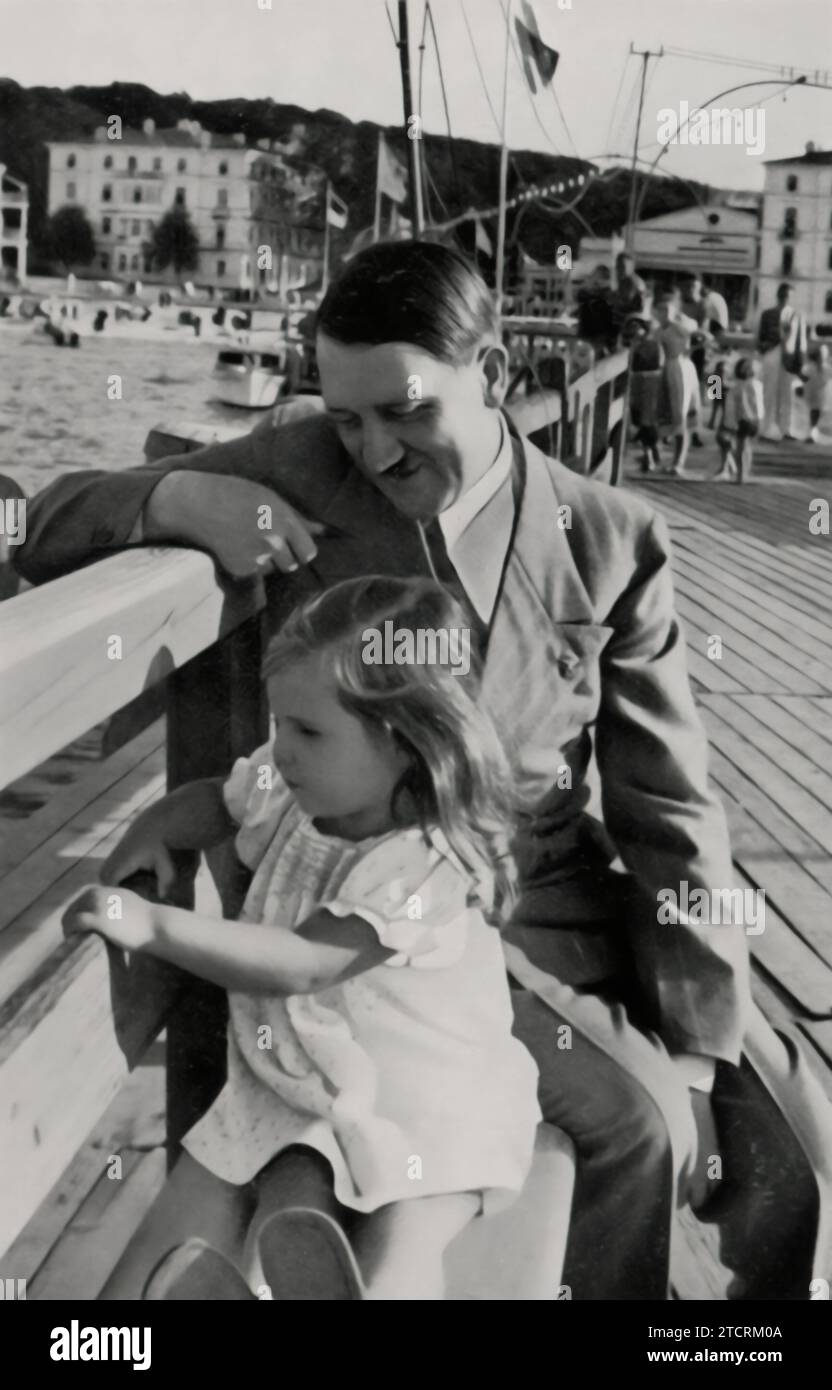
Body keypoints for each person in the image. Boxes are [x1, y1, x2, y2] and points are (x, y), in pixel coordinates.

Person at [18, 240, 832, 1301]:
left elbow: (667, 804)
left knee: (761, 1123)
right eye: (346, 414)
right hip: (376, 922)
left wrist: (700, 1034)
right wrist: (179, 500)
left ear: (492, 373)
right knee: (629, 1129)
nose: (375, 449)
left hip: (552, 899)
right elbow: (42, 521)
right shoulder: (308, 464)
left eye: (403, 409)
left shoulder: (608, 537)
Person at [63, 576, 542, 1301]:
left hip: (436, 1105)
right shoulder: (294, 789)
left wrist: (156, 924)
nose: (281, 750)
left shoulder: (422, 861)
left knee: (404, 1234)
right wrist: (151, 832)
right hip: (318, 1085)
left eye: (308, 731)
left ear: (407, 740)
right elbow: (212, 803)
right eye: (279, 723)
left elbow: (303, 963)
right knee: (296, 1181)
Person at [654, 289, 701, 474]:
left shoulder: (679, 326)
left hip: (681, 367)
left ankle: (678, 461)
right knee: (669, 413)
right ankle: (664, 458)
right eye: (660, 310)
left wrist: (692, 347)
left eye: (667, 310)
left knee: (681, 412)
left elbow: (697, 332)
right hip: (666, 370)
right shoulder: (658, 331)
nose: (664, 314)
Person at [757, 282, 807, 441]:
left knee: (787, 393)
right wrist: (763, 348)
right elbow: (760, 337)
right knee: (768, 391)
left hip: (789, 356)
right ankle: (765, 428)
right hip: (772, 352)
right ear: (778, 295)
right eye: (783, 295)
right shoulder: (767, 314)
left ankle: (786, 429)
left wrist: (801, 362)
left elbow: (801, 340)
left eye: (788, 295)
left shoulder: (797, 315)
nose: (785, 298)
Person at [713, 357, 764, 483]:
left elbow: (730, 408)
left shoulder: (735, 387)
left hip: (742, 420)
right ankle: (745, 471)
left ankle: (740, 475)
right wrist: (760, 419)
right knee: (747, 447)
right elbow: (759, 404)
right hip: (754, 420)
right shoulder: (757, 384)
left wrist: (728, 423)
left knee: (741, 448)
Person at [625, 315, 664, 471]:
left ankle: (650, 455)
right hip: (641, 383)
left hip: (649, 384)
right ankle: (652, 452)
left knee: (647, 421)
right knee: (643, 420)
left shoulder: (652, 345)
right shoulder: (637, 345)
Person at [801, 343, 832, 443]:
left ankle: (813, 432)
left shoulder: (825, 368)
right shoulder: (811, 367)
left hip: (821, 395)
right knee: (813, 413)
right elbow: (803, 375)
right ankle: (812, 432)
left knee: (816, 414)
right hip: (814, 395)